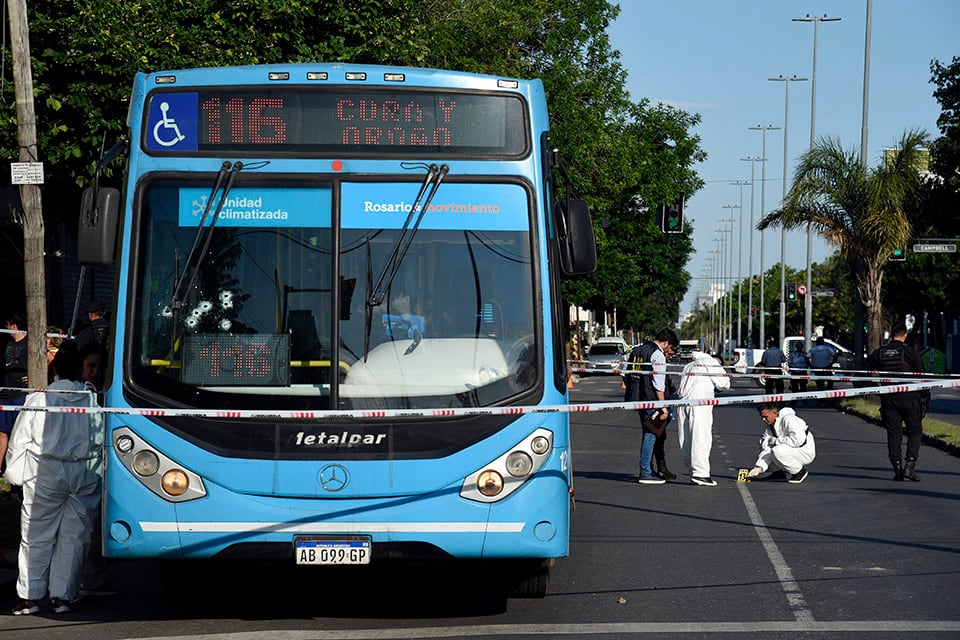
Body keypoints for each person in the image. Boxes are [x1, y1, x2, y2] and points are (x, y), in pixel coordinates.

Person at [5, 341, 101, 615]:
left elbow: (20, 440)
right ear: (80, 369)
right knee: (75, 535)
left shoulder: (39, 399)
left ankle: (31, 597)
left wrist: (15, 476)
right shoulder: (91, 400)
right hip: (83, 471)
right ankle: (63, 597)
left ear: (55, 369)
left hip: (46, 470)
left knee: (36, 534)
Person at [867, 323, 926, 481]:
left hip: (889, 399)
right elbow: (921, 375)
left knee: (894, 434)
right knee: (915, 431)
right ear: (905, 335)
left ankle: (897, 468)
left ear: (891, 334)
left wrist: (877, 386)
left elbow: (866, 370)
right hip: (910, 398)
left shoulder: (880, 353)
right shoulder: (910, 352)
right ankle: (910, 466)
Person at [624, 329, 679, 484]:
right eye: (670, 347)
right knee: (650, 436)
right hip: (652, 400)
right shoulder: (657, 354)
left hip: (638, 398)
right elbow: (658, 385)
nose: (670, 351)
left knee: (649, 434)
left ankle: (649, 469)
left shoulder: (636, 351)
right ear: (666, 343)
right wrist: (663, 407)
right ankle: (645, 472)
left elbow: (625, 374)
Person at [676, 350, 730, 486]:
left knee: (686, 439)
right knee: (701, 437)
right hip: (700, 403)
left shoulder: (688, 365)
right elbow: (724, 383)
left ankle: (692, 469)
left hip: (683, 402)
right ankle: (700, 474)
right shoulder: (711, 363)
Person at [746, 401, 816, 484]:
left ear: (775, 413)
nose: (763, 420)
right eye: (762, 417)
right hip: (790, 450)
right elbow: (767, 449)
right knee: (765, 446)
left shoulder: (790, 419)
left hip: (804, 451)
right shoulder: (770, 428)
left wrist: (777, 441)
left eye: (765, 417)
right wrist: (759, 467)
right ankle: (778, 473)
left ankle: (800, 471)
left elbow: (798, 440)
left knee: (777, 451)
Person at [0, 314, 29, 475]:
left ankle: (16, 471)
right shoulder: (8, 344)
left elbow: (44, 360)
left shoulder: (30, 342)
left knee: (19, 434)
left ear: (14, 325)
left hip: (21, 393)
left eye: (7, 325)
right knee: (2, 432)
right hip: (6, 392)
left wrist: (34, 375)